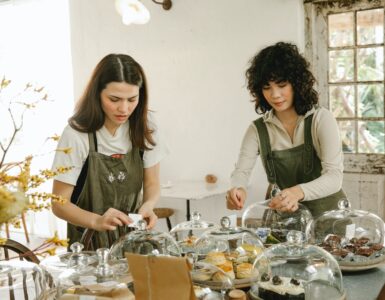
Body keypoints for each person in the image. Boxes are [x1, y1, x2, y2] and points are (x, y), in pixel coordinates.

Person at [51, 53, 168, 246]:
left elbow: (152, 183)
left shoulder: (146, 125)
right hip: (89, 243)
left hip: (132, 239)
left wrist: (148, 205)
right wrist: (97, 221)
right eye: (114, 99)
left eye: (132, 99)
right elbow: (59, 203)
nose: (124, 108)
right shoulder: (76, 134)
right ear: (97, 94)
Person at [226, 42, 346, 218]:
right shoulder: (258, 130)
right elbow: (241, 173)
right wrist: (237, 189)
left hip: (329, 220)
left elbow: (334, 177)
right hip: (287, 223)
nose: (274, 95)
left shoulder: (321, 119)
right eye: (267, 87)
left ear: (297, 83)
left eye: (281, 85)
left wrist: (297, 192)